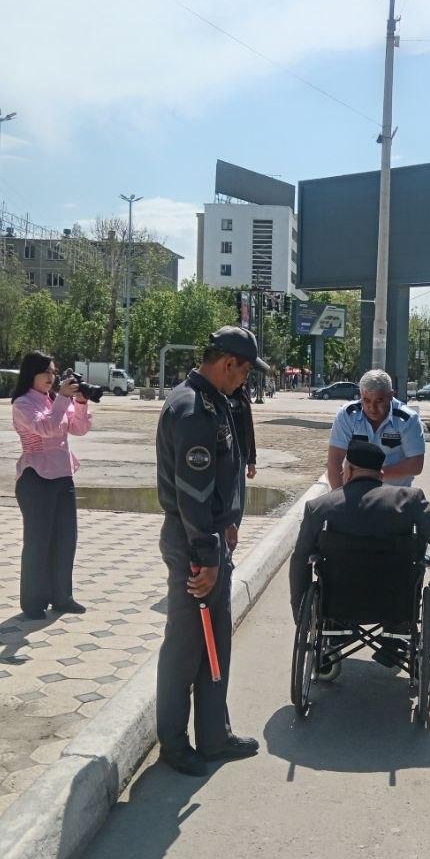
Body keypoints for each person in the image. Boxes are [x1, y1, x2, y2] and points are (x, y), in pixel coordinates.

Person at [154, 326, 267, 776]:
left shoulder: (215, 401)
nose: (246, 380)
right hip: (193, 543)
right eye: (245, 372)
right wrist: (206, 556)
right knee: (185, 649)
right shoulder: (192, 409)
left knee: (214, 641)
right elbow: (192, 492)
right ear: (227, 363)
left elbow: (221, 476)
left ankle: (214, 735)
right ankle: (174, 743)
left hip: (210, 536)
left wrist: (229, 520)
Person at [291, 439, 430, 664]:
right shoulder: (410, 501)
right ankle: (395, 640)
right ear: (380, 474)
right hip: (397, 603)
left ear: (348, 470)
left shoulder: (319, 508)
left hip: (337, 603)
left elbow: (300, 559)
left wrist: (300, 612)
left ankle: (338, 630)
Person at [10, 351, 92, 619]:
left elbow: (78, 428)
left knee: (66, 540)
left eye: (53, 372)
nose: (51, 377)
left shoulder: (55, 399)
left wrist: (81, 402)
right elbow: (46, 428)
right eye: (45, 372)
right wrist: (64, 399)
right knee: (38, 542)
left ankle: (62, 597)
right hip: (36, 478)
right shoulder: (23, 403)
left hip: (63, 476)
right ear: (30, 374)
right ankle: (33, 602)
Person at [326, 369, 425, 489]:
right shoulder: (347, 415)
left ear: (391, 395)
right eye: (366, 400)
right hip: (355, 493)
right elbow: (334, 463)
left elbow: (416, 464)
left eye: (379, 401)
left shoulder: (408, 419)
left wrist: (371, 475)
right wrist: (339, 498)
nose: (372, 408)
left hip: (393, 494)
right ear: (360, 395)